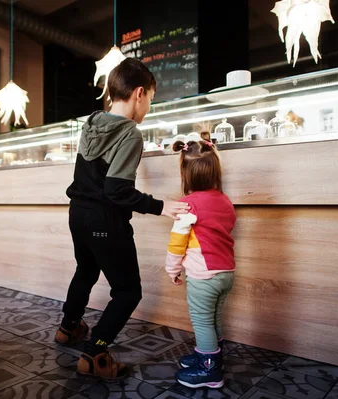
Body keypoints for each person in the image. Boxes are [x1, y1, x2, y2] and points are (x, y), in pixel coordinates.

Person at [55, 58, 190, 381]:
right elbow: (116, 190)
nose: (148, 109)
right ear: (139, 94)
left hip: (78, 214)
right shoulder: (130, 133)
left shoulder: (92, 121)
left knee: (86, 271)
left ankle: (68, 328)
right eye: (151, 101)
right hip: (104, 219)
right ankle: (95, 352)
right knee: (128, 292)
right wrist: (162, 206)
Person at [165, 136, 237, 389]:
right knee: (214, 317)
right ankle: (209, 355)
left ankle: (210, 371)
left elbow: (177, 243)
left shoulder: (187, 206)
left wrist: (172, 269)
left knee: (201, 320)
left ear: (185, 175)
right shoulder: (225, 201)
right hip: (226, 272)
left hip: (203, 275)